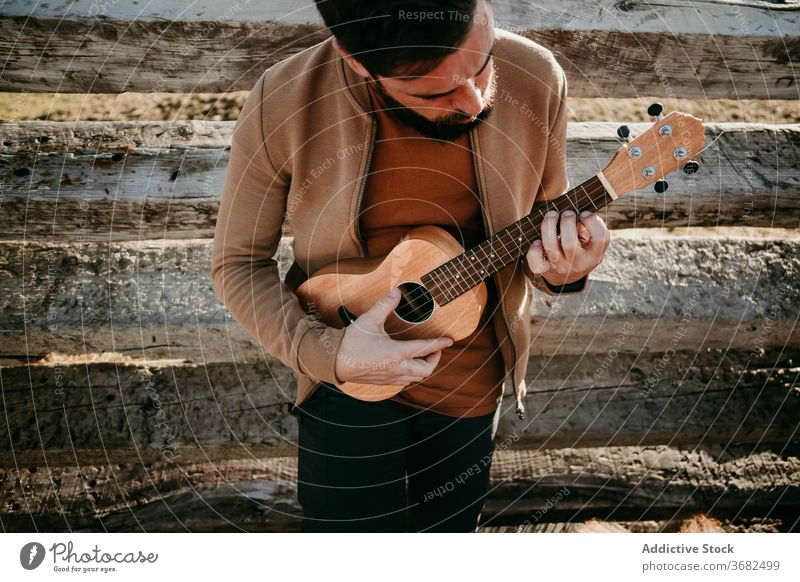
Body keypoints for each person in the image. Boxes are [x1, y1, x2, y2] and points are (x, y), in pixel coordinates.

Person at [210, 0, 611, 532]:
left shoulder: (538, 78)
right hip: (340, 373)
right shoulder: (285, 98)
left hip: (471, 384)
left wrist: (565, 268)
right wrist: (328, 353)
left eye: (482, 62)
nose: (474, 100)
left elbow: (542, 228)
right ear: (356, 62)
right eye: (437, 91)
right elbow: (237, 262)